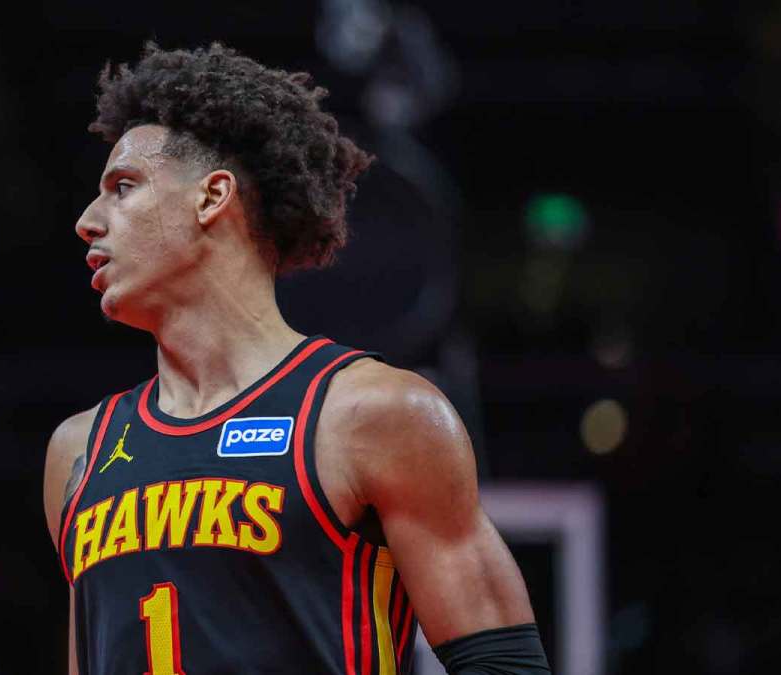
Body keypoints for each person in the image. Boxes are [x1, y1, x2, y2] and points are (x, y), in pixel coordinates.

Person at [42, 42, 550, 675]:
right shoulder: (80, 448)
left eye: (123, 187)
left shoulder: (375, 414)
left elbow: (506, 666)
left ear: (211, 197)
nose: (88, 221)